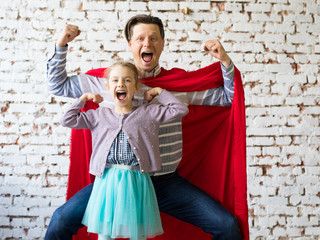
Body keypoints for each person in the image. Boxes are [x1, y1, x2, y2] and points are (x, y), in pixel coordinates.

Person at [46, 14, 242, 240]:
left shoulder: (177, 87)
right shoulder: (106, 81)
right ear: (130, 44)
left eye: (153, 38)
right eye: (140, 38)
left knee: (226, 225)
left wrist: (225, 61)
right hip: (114, 182)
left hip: (165, 183)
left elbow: (228, 98)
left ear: (162, 43)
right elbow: (57, 85)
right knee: (61, 220)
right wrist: (61, 44)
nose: (147, 43)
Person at [60, 61, 189, 240]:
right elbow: (67, 119)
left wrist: (159, 92)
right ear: (108, 87)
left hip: (137, 180)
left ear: (136, 87)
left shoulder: (148, 113)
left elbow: (180, 109)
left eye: (127, 80)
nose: (121, 84)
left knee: (137, 234)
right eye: (115, 81)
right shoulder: (99, 115)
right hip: (106, 181)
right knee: (105, 234)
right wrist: (84, 99)